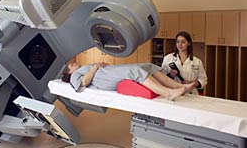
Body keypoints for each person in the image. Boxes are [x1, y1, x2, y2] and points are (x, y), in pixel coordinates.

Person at [61, 62, 196, 101]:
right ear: (69, 72)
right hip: (104, 78)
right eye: (71, 65)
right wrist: (96, 67)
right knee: (135, 71)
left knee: (147, 66)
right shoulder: (74, 76)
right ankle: (168, 93)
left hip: (107, 71)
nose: (74, 63)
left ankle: (179, 86)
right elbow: (83, 82)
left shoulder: (82, 68)